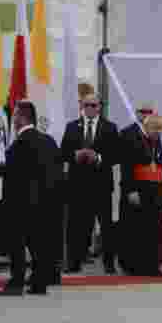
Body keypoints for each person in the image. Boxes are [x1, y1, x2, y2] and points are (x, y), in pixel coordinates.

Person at [0, 101, 59, 296]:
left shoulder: (21, 142)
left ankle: (16, 282)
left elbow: (16, 171)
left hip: (21, 202)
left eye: (15, 116)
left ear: (22, 118)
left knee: (17, 244)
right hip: (45, 201)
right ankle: (39, 282)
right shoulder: (48, 141)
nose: (13, 120)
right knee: (38, 244)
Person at [60, 94, 119, 274]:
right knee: (77, 226)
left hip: (101, 186)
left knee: (106, 226)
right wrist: (74, 155)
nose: (90, 108)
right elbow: (63, 153)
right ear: (81, 106)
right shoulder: (72, 127)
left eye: (94, 105)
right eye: (87, 105)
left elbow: (116, 155)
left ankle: (109, 263)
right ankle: (74, 262)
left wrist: (99, 157)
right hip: (78, 186)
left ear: (99, 107)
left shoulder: (109, 127)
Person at [118, 106, 162, 277]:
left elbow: (161, 166)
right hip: (138, 189)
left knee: (154, 230)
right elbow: (127, 166)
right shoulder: (133, 139)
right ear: (146, 127)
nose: (159, 132)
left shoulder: (156, 141)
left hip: (155, 190)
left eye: (161, 129)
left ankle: (153, 264)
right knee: (137, 230)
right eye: (156, 129)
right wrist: (131, 190)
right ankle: (135, 265)